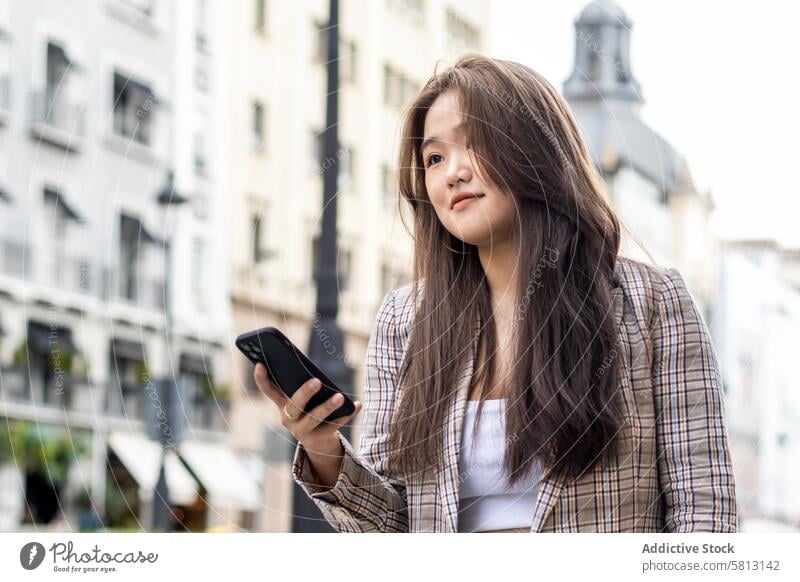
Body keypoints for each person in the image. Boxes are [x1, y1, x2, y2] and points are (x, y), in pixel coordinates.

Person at [253, 54, 738, 533]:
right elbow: (393, 531)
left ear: (537, 150)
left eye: (474, 144)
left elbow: (704, 513)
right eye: (434, 158)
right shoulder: (404, 319)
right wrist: (323, 447)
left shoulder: (650, 302)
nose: (452, 173)